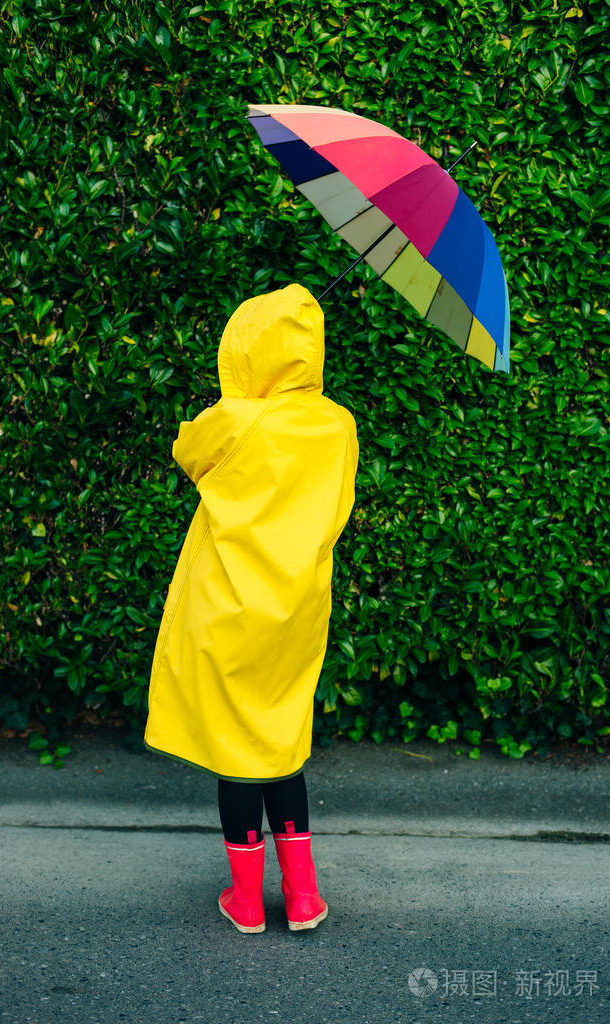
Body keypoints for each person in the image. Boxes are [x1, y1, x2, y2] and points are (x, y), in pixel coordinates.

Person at [144, 282, 359, 932]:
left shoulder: (235, 421)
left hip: (230, 607)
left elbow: (187, 450)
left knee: (238, 752)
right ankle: (303, 896)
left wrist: (233, 403)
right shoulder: (338, 425)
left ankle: (246, 900)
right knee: (280, 742)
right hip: (298, 609)